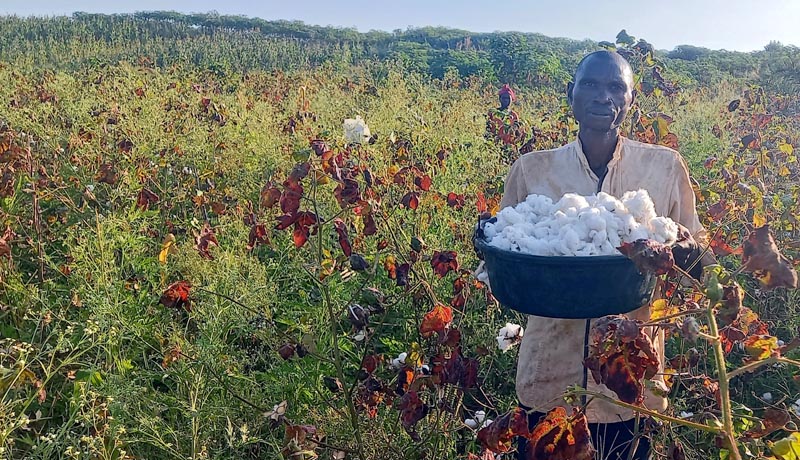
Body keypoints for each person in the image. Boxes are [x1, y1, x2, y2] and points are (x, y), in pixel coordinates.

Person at [490, 51, 708, 460]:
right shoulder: (532, 170)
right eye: (590, 84)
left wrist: (673, 247)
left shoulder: (663, 167)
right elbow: (507, 249)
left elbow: (701, 260)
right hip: (549, 377)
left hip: (629, 381)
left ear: (631, 100)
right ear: (570, 93)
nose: (602, 96)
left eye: (615, 87)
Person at [486, 84, 532, 163]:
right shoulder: (493, 113)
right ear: (500, 99)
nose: (506, 100)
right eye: (504, 98)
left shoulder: (514, 115)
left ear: (512, 99)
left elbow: (517, 133)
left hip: (509, 148)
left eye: (508, 98)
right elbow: (487, 130)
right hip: (494, 147)